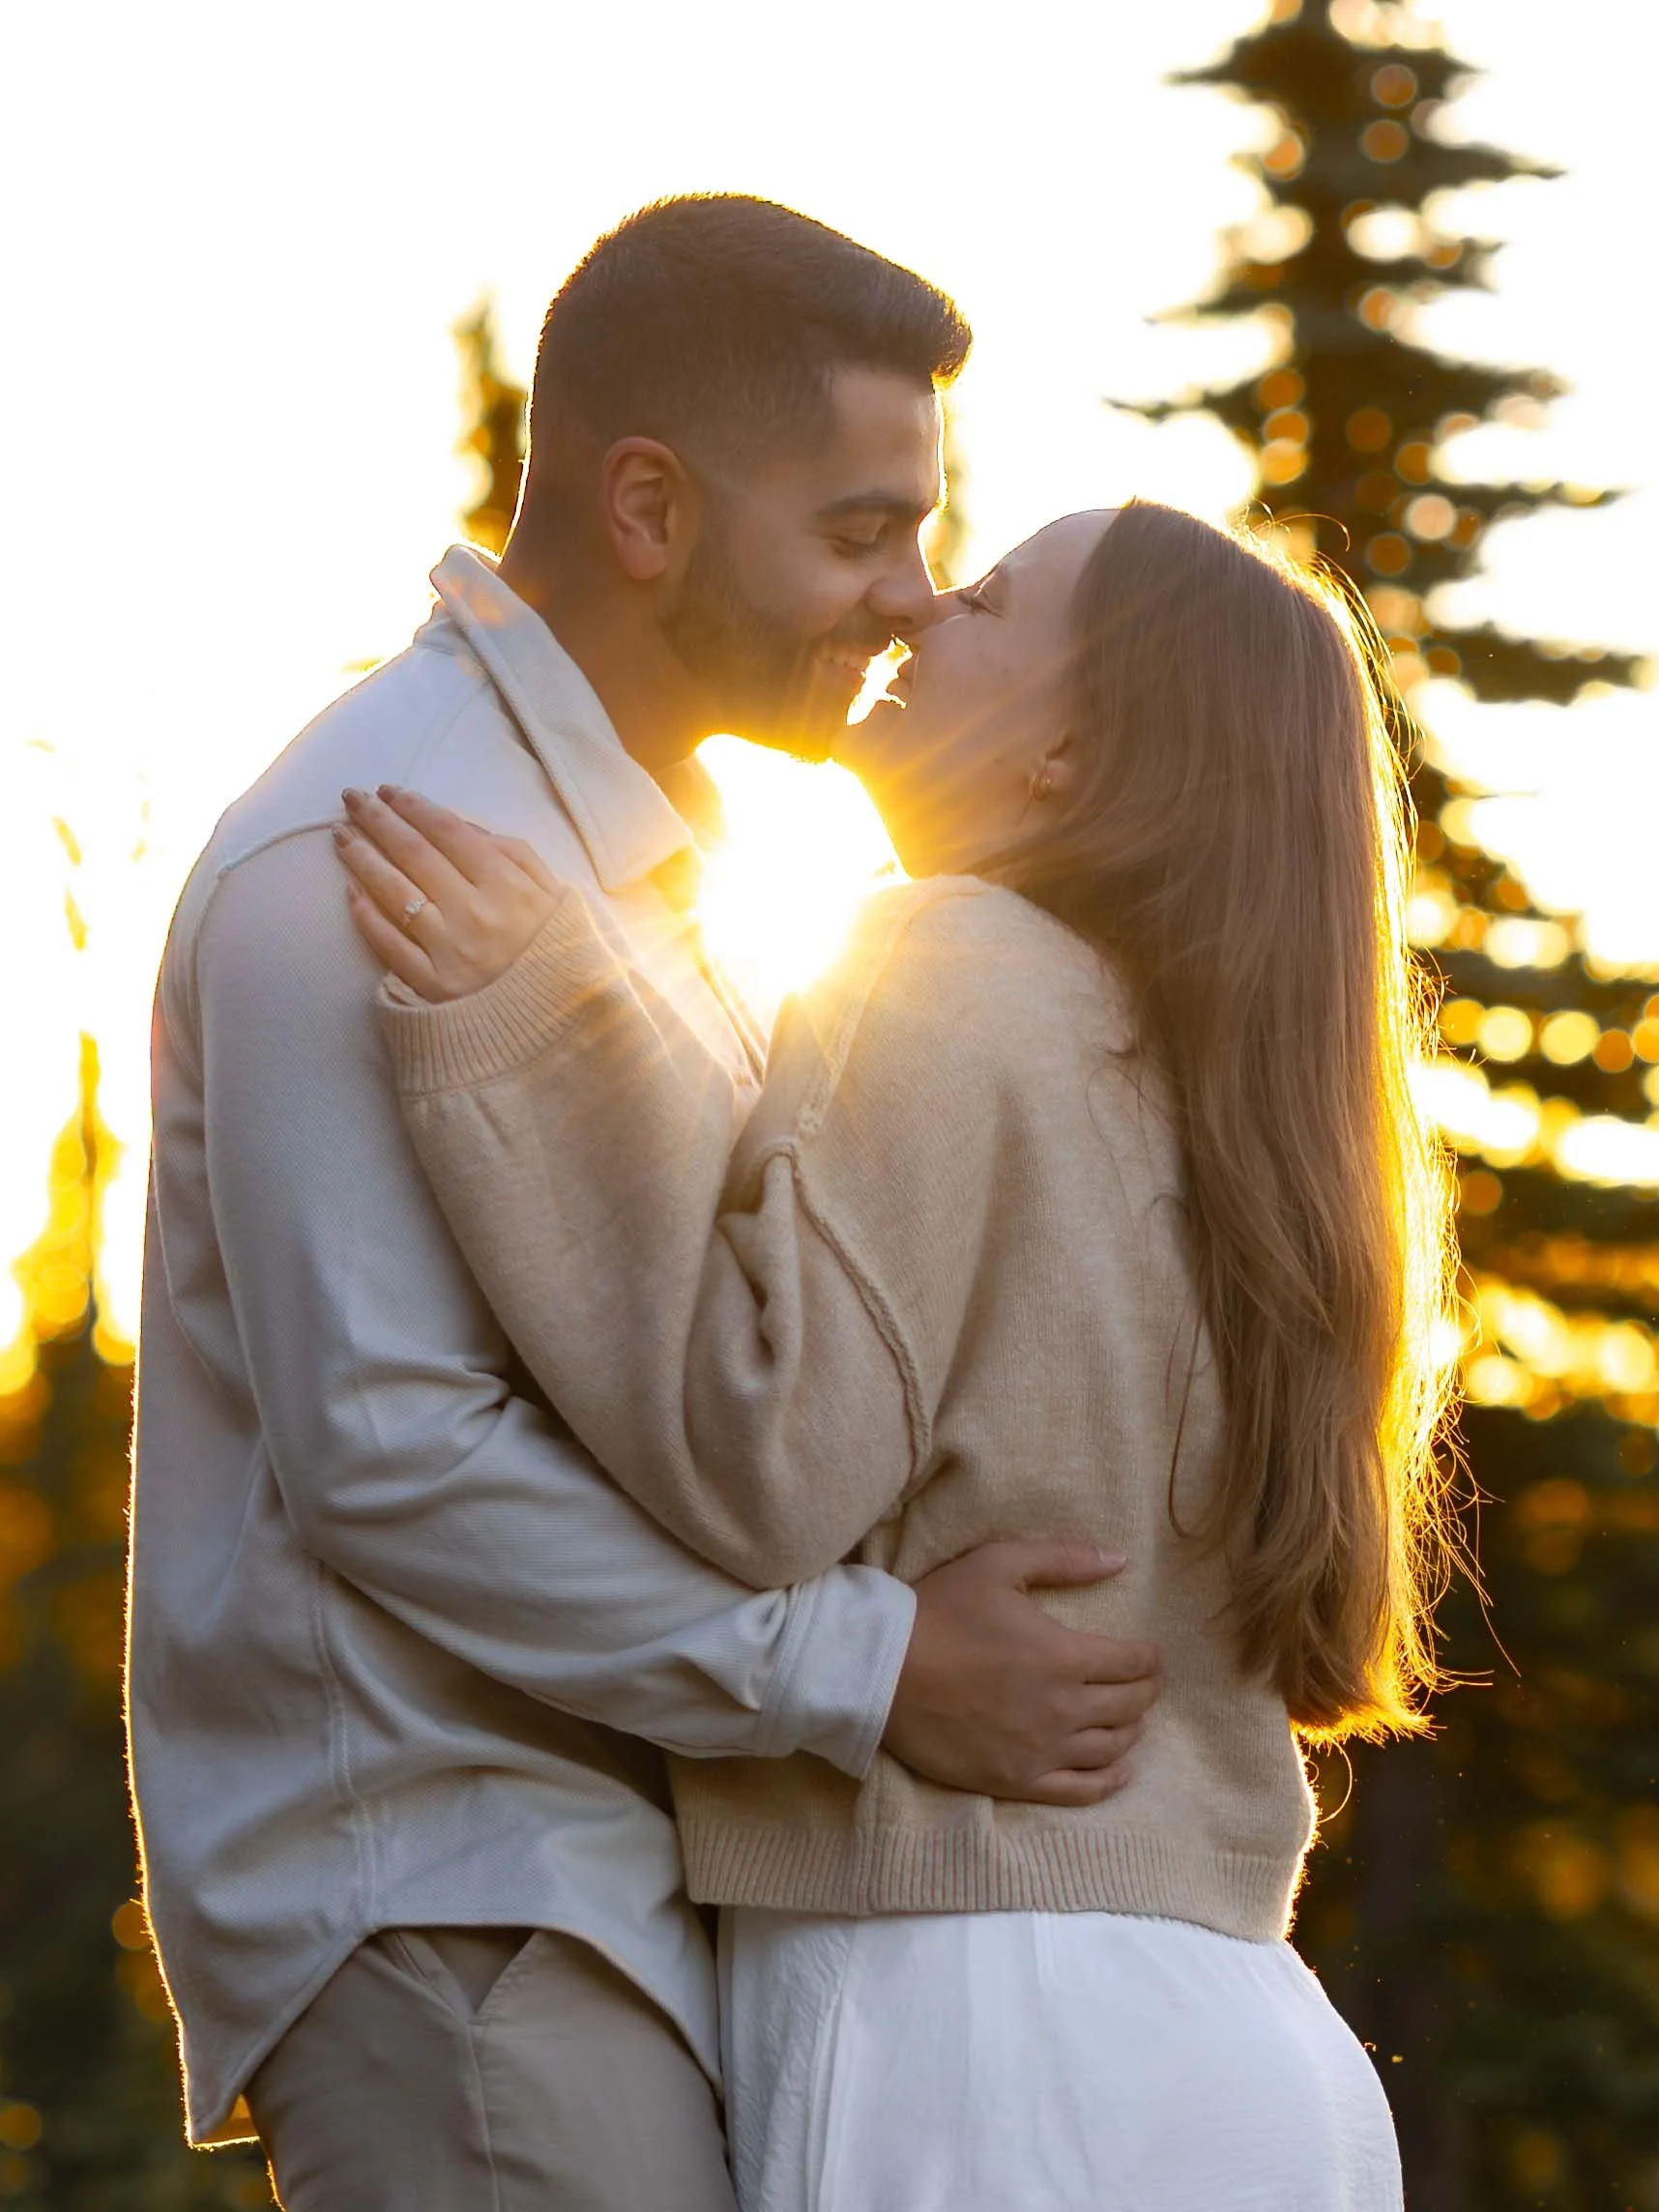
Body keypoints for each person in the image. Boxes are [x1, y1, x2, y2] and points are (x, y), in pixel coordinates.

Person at [128, 197, 1160, 2212]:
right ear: (651, 508)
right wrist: (875, 1667)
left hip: (608, 1893)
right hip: (463, 1913)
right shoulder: (372, 853)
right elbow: (390, 1451)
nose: (906, 601)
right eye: (861, 532)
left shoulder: (633, 866)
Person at [336, 498, 1462, 2210]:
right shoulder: (1246, 1111)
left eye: (996, 598)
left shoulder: (952, 958)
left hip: (988, 2030)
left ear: (1076, 750)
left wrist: (544, 1037)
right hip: (1250, 2053)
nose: (927, 608)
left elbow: (761, 1454)